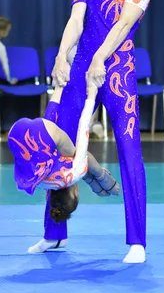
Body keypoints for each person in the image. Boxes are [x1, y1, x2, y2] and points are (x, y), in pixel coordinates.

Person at [33, 0, 154, 264]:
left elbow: (125, 21)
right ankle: (54, 234)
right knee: (54, 143)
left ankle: (137, 241)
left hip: (117, 69)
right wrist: (60, 56)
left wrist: (101, 59)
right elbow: (76, 19)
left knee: (130, 150)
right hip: (81, 64)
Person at [8, 84, 120, 254]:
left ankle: (54, 237)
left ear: (74, 193)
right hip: (16, 136)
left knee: (77, 153)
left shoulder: (73, 172)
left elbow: (84, 131)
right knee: (49, 143)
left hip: (43, 134)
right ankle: (55, 238)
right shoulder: (43, 185)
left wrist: (103, 177)